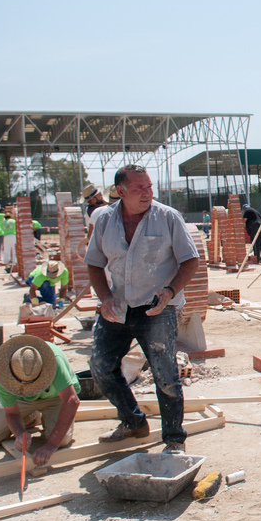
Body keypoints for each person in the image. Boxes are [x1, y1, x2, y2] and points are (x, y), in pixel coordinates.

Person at [85, 165, 199, 453]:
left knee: (166, 375)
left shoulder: (167, 218)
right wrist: (105, 297)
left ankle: (174, 440)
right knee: (100, 367)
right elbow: (94, 263)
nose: (148, 192)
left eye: (149, 186)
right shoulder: (104, 221)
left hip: (156, 308)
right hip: (118, 308)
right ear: (120, 191)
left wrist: (170, 291)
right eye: (139, 188)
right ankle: (133, 422)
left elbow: (190, 261)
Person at [0, 334, 81, 468]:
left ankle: (36, 417)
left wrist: (50, 446)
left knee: (62, 441)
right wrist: (19, 433)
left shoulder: (54, 360)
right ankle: (30, 417)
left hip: (54, 397)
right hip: (20, 400)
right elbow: (11, 412)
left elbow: (71, 400)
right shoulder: (1, 373)